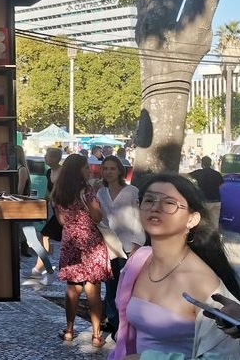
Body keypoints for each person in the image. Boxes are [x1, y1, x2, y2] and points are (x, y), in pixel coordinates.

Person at [109, 174, 240, 359]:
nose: (155, 207)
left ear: (192, 219)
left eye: (169, 203)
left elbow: (222, 356)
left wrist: (146, 358)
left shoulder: (203, 282)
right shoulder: (138, 261)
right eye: (149, 199)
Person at [53, 154, 112, 348]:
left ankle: (69, 330)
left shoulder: (58, 193)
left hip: (71, 242)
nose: (89, 170)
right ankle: (96, 335)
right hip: (90, 242)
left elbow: (61, 221)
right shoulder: (87, 191)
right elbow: (96, 216)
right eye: (86, 167)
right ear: (78, 170)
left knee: (72, 289)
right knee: (93, 290)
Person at [96, 155, 145, 337]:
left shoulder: (132, 191)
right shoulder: (101, 193)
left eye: (112, 168)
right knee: (110, 284)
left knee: (126, 286)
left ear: (119, 171)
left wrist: (137, 243)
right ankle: (112, 319)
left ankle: (127, 321)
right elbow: (101, 218)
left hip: (128, 243)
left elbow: (137, 217)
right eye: (105, 168)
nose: (108, 172)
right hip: (109, 244)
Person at [16, 146, 56, 284]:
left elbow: (19, 192)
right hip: (19, 210)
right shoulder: (19, 168)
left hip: (22, 210)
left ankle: (49, 269)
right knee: (30, 241)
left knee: (32, 241)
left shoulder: (21, 169)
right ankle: (48, 269)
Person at [37, 147, 64, 278]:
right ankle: (45, 266)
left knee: (44, 235)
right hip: (54, 210)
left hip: (62, 211)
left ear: (55, 158)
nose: (45, 158)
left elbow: (63, 192)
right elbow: (47, 192)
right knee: (44, 236)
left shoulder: (63, 172)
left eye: (47, 156)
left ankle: (42, 267)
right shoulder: (48, 172)